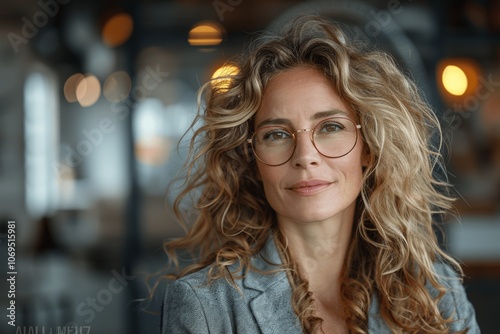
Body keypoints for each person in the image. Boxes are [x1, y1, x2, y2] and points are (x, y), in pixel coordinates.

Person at [160, 15, 480, 334]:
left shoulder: (438, 293)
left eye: (330, 127)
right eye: (276, 134)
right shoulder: (205, 306)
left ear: (368, 147)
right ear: (251, 156)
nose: (305, 157)